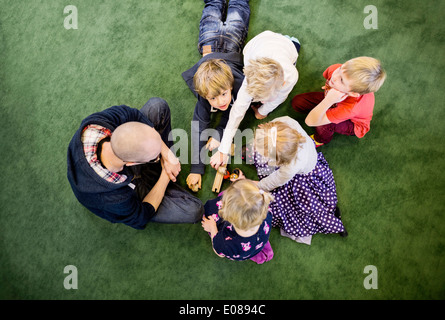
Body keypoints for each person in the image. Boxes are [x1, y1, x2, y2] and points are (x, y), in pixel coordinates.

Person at [67, 97, 204, 230]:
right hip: (129, 189)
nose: (160, 156)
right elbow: (141, 216)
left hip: (122, 168)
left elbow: (133, 114)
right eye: (154, 157)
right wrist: (165, 175)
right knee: (194, 210)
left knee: (157, 106)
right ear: (132, 163)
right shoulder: (113, 198)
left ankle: (161, 172)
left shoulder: (100, 124)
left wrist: (167, 154)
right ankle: (163, 179)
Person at [182, 0, 250, 192]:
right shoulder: (205, 96)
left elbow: (236, 112)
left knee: (234, 7)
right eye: (213, 98)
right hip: (217, 42)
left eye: (224, 94)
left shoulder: (240, 88)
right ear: (204, 95)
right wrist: (196, 168)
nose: (221, 102)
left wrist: (220, 133)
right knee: (215, 6)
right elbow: (198, 128)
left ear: (231, 86)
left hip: (223, 41)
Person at [210, 29, 301, 170]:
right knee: (246, 55)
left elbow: (279, 99)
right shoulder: (251, 77)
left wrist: (263, 111)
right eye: (256, 98)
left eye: (263, 98)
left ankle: (289, 39)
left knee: (294, 46)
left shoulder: (290, 76)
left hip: (285, 47)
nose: (260, 101)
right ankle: (283, 38)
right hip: (259, 43)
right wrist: (223, 149)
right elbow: (237, 112)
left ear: (282, 84)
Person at [251, 116, 346, 245]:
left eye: (265, 154)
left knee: (282, 206)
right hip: (305, 159)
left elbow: (274, 181)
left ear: (280, 162)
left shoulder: (290, 168)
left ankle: (330, 219)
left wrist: (258, 186)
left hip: (305, 179)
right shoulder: (286, 122)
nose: (257, 150)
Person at [291, 56, 386, 147]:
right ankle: (320, 112)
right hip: (334, 100)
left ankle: (320, 140)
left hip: (353, 123)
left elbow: (310, 122)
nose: (334, 76)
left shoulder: (350, 108)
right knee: (298, 102)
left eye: (341, 80)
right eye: (341, 68)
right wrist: (329, 94)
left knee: (325, 125)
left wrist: (328, 101)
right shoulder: (336, 70)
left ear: (353, 93)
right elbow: (334, 75)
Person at [201, 179, 274, 263]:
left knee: (211, 208)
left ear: (229, 217)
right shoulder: (267, 213)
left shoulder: (226, 244)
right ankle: (261, 250)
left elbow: (219, 252)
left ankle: (252, 253)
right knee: (257, 242)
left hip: (240, 250)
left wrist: (212, 228)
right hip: (260, 237)